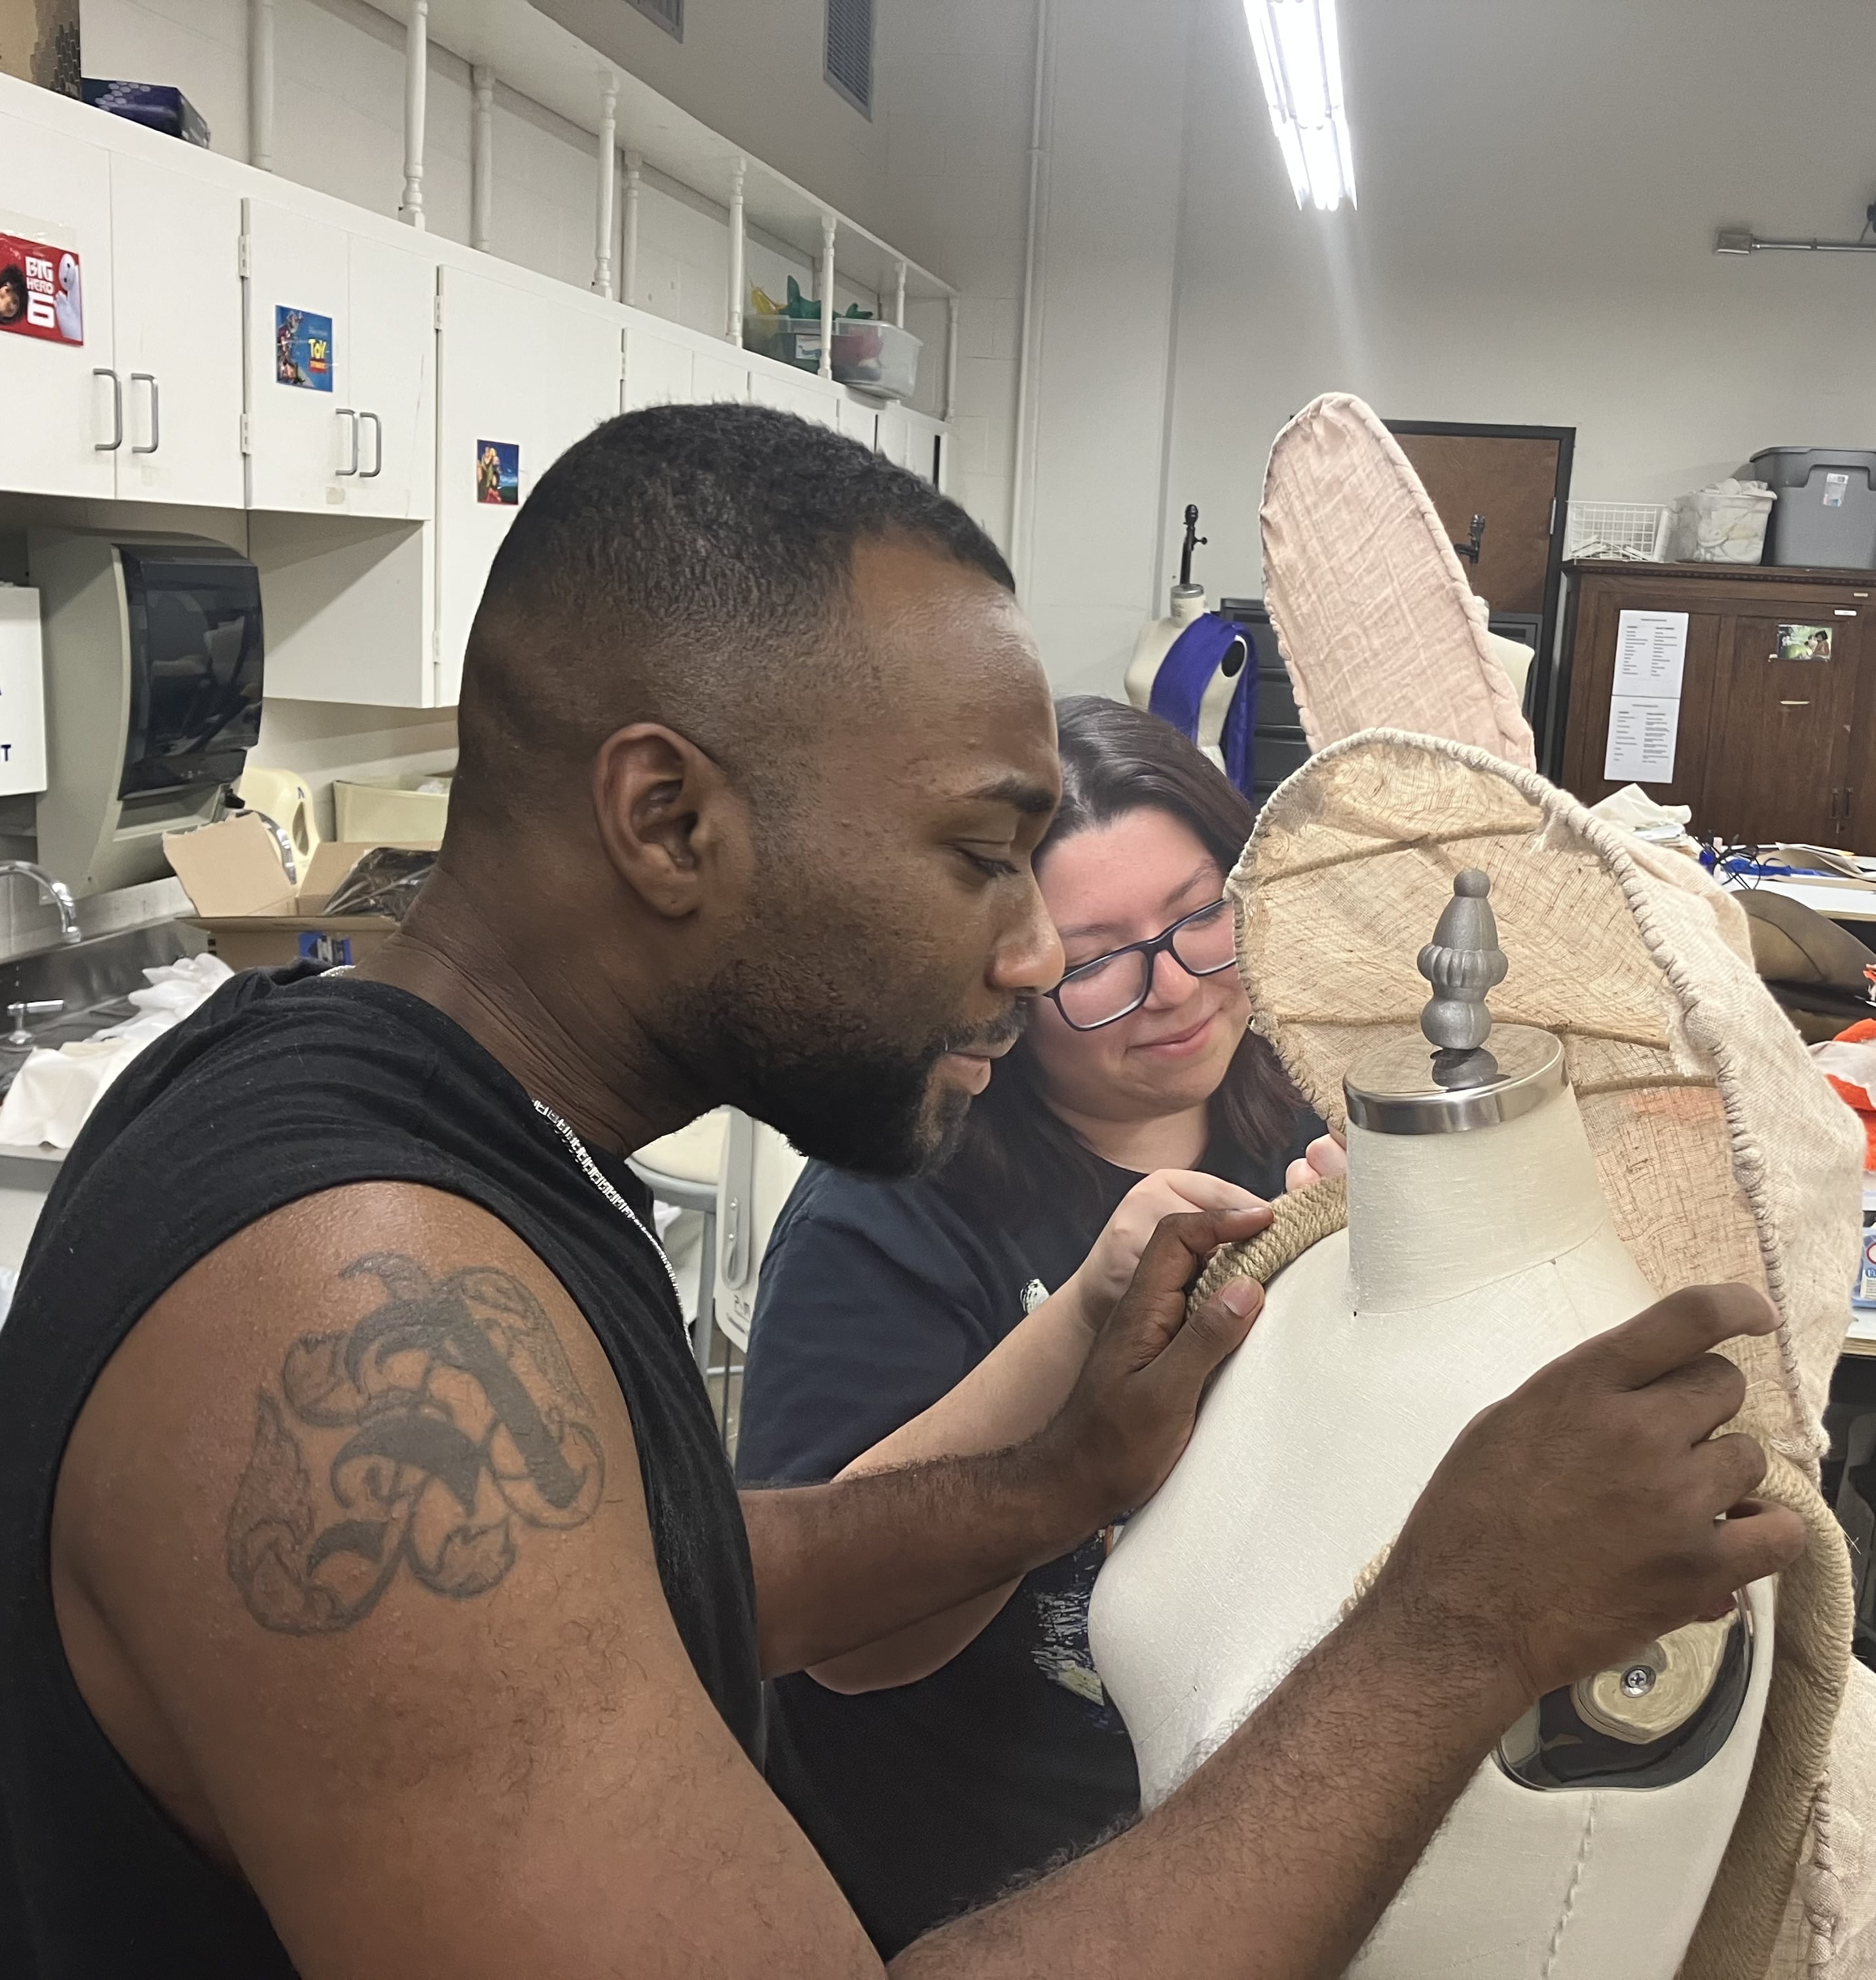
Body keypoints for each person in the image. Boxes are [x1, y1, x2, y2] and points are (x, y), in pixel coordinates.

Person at [0, 404, 1801, 1979]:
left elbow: (623, 1585)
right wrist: (1456, 1632)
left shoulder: (434, 1117)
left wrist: (1054, 1479)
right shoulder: (353, 1288)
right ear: (668, 820)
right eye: (978, 857)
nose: (1034, 958)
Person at [737, 695, 1323, 1952]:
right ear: (1001, 970)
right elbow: (835, 1646)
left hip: (1254, 1832)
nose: (1171, 990)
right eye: (1099, 955)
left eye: (1199, 916)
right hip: (985, 1894)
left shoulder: (1299, 1115)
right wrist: (1082, 1317)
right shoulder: (889, 1206)